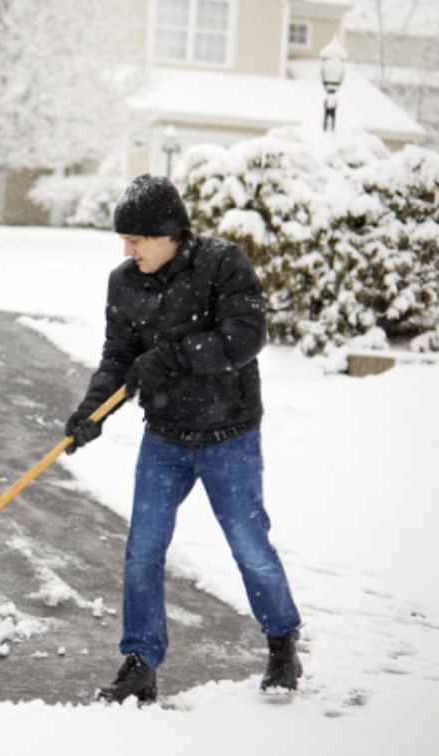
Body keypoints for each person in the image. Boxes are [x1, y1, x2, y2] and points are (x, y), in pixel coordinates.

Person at [64, 174, 303, 705]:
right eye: (123, 241)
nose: (128, 251)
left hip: (228, 434)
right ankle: (140, 663)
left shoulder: (222, 264)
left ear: (168, 233)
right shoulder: (125, 282)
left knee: (249, 545)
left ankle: (282, 639)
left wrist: (174, 355)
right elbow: (119, 358)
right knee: (142, 551)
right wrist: (90, 413)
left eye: (137, 240)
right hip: (166, 436)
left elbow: (245, 338)